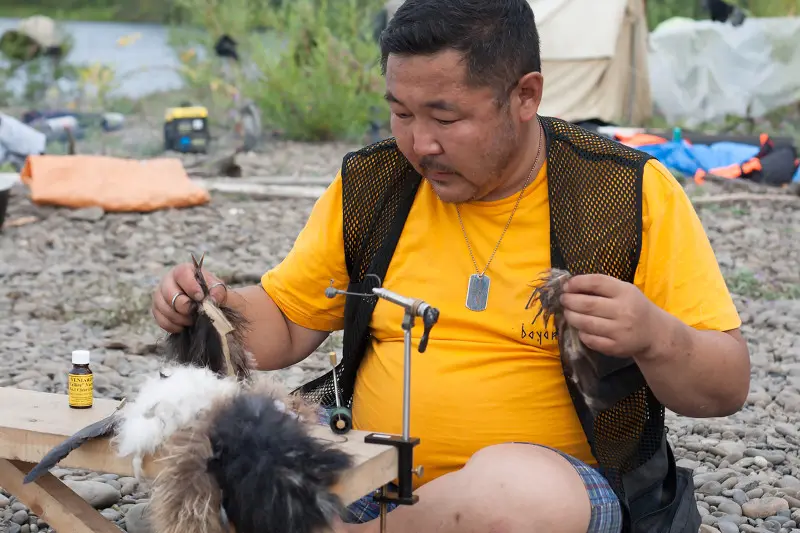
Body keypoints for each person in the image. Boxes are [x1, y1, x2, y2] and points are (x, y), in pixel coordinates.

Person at [151, 1, 751, 532]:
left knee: (515, 494)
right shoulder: (375, 183)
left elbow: (725, 387)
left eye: (444, 118)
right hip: (366, 475)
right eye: (401, 114)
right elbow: (286, 319)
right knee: (224, 450)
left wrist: (655, 336)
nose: (420, 144)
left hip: (552, 498)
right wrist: (212, 305)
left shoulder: (624, 194)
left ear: (525, 96)